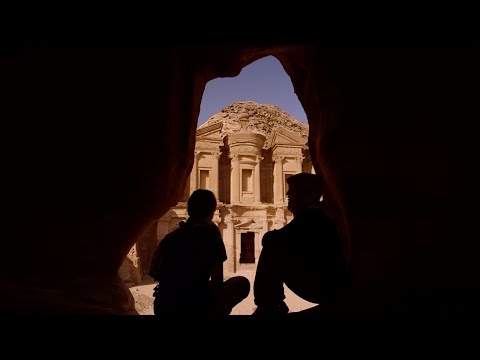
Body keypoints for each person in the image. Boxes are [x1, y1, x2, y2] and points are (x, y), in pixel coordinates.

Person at [252, 172, 350, 316]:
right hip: (326, 281)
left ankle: (268, 305)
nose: (288, 194)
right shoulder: (317, 215)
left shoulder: (313, 216)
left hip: (324, 285)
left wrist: (271, 238)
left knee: (272, 247)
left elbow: (274, 240)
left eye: (293, 191)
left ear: (308, 195)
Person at [149, 189, 250, 317]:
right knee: (242, 283)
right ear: (212, 212)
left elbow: (154, 271)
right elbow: (217, 279)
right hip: (194, 303)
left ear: (189, 210)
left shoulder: (172, 236)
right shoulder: (211, 234)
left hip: (164, 304)